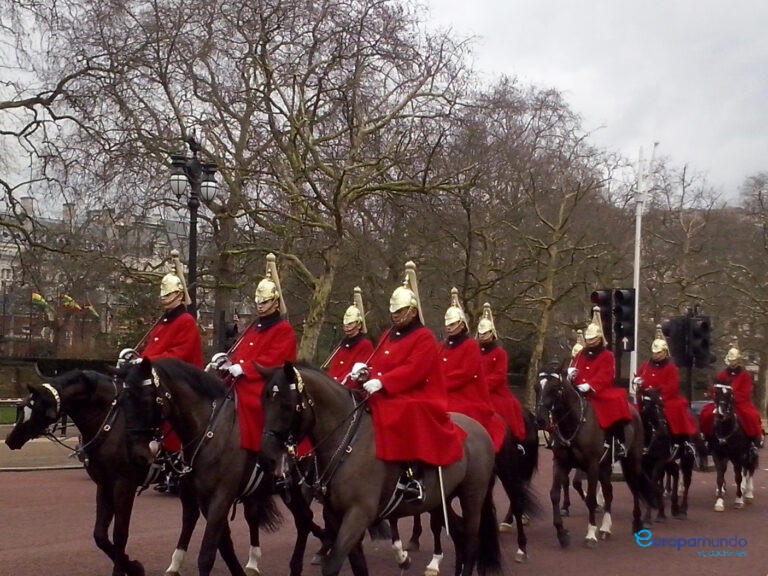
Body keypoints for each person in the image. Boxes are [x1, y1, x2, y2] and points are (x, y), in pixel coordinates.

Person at [349, 261, 466, 503]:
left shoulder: (424, 336)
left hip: (419, 393)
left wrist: (383, 383)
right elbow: (379, 363)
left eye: (400, 312)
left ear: (412, 311)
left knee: (406, 410)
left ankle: (413, 475)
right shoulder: (388, 335)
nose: (395, 316)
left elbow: (415, 370)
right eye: (393, 311)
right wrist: (365, 373)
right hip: (391, 390)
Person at [116, 271, 204, 492]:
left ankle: (176, 459)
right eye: (163, 295)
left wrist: (145, 361)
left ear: (179, 295)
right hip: (157, 372)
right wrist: (135, 359)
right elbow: (154, 349)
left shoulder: (186, 321)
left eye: (169, 295)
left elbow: (178, 354)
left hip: (177, 378)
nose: (164, 298)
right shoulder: (163, 320)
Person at [210, 253, 297, 453]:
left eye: (264, 302)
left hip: (265, 384)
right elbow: (242, 354)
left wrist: (244, 368)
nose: (260, 305)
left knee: (250, 403)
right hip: (242, 379)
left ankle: (256, 450)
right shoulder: (254, 325)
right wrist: (228, 364)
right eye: (258, 301)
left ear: (275, 302)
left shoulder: (283, 329)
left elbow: (274, 361)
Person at [438, 290, 506, 453]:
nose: (449, 328)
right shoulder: (441, 346)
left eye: (453, 324)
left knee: (508, 410)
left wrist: (441, 383)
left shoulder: (470, 345)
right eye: (447, 324)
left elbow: (466, 373)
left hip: (466, 393)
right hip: (441, 390)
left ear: (462, 324)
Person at [570, 306, 633, 456]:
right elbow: (575, 367)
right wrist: (571, 374)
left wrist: (590, 385)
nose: (590, 342)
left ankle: (617, 440)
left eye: (593, 339)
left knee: (613, 405)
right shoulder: (580, 354)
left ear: (599, 338)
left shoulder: (607, 355)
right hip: (579, 391)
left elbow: (606, 375)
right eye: (588, 340)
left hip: (599, 392)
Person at [633, 325, 698, 447]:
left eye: (658, 353)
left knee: (673, 412)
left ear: (664, 352)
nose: (655, 355)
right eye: (654, 353)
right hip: (646, 399)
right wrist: (638, 381)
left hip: (664, 399)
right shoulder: (646, 366)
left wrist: (659, 394)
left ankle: (681, 440)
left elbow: (672, 386)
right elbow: (640, 376)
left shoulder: (671, 368)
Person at [476, 302, 527, 445]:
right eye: (480, 334)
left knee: (507, 407)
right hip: (476, 390)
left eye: (485, 333)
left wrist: (482, 385)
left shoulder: (500, 353)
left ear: (492, 333)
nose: (482, 336)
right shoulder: (474, 351)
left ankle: (515, 442)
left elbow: (499, 375)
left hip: (496, 392)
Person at [699, 343, 764, 454]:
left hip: (739, 403)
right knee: (707, 413)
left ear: (738, 361)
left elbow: (746, 392)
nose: (732, 363)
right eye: (730, 360)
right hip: (722, 403)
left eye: (734, 361)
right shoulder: (722, 374)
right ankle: (707, 437)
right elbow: (715, 388)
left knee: (751, 416)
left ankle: (753, 440)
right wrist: (716, 395)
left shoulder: (745, 375)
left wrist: (733, 398)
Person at [324, 287, 375, 386]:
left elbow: (359, 372)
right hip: (334, 383)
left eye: (350, 324)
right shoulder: (344, 342)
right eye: (345, 325)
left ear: (359, 325)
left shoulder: (365, 344)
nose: (347, 327)